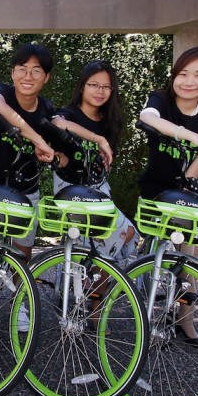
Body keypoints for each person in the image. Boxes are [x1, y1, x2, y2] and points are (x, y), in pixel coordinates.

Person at [0, 43, 111, 260]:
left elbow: (62, 124)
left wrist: (97, 139)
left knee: (23, 257)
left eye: (36, 70)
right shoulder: (0, 93)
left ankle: (21, 293)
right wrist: (38, 140)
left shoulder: (46, 108)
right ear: (12, 72)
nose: (28, 76)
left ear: (46, 77)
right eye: (22, 69)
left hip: (27, 191)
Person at [138, 46, 198, 347]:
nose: (189, 81)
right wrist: (192, 136)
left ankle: (184, 321)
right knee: (154, 257)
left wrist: (189, 179)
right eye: (183, 73)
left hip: (193, 189)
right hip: (155, 188)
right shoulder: (161, 98)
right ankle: (146, 318)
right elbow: (148, 117)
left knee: (189, 259)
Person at [51, 60, 139, 264]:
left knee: (128, 232)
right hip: (70, 187)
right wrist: (97, 139)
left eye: (106, 86)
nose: (100, 91)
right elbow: (57, 123)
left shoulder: (110, 121)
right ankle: (92, 279)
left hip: (98, 187)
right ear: (82, 86)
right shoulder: (69, 114)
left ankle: (95, 285)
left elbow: (105, 162)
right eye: (94, 85)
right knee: (103, 234)